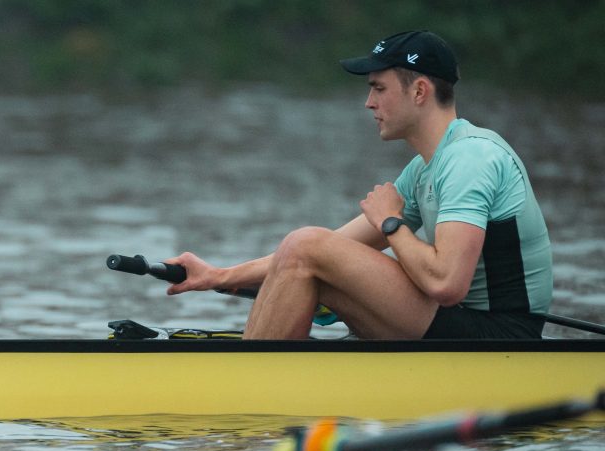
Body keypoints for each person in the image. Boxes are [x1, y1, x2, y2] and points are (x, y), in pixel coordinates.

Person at [164, 31, 552, 339]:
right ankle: (266, 368)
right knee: (305, 251)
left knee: (306, 244)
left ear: (419, 92)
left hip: (498, 338)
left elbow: (447, 284)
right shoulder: (424, 170)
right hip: (457, 323)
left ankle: (248, 387)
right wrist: (217, 276)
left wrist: (391, 224)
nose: (368, 102)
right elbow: (322, 250)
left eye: (379, 88)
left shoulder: (470, 159)